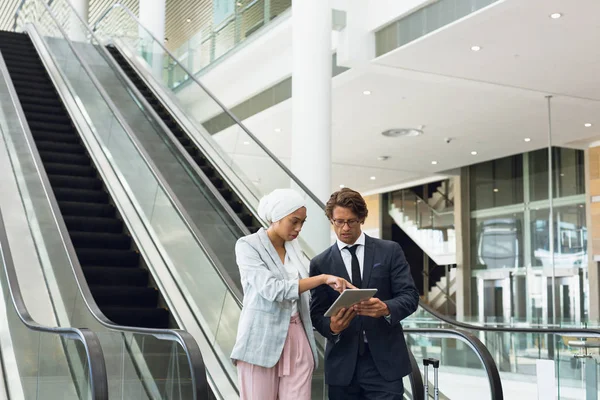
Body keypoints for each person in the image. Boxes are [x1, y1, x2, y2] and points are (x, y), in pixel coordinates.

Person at [231, 188, 351, 400]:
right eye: (293, 221)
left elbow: (306, 294)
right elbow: (273, 289)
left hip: (297, 336)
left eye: (302, 222)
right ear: (276, 217)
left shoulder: (295, 250)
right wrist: (322, 278)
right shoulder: (248, 246)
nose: (298, 228)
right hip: (260, 339)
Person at [310, 188, 420, 400]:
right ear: (331, 220)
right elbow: (317, 314)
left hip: (384, 364)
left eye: (351, 221)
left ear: (361, 219)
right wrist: (332, 327)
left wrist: (386, 308)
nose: (344, 228)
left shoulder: (389, 251)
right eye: (338, 221)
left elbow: (410, 296)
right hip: (342, 366)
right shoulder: (320, 264)